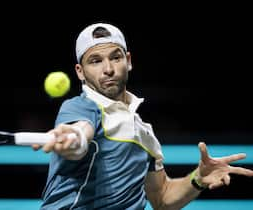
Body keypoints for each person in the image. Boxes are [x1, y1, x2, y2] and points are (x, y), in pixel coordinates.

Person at [32, 22, 253, 210]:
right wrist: (73, 139)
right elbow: (81, 133)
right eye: (95, 61)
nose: (108, 69)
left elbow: (162, 197)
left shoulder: (143, 131)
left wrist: (198, 179)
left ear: (128, 60)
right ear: (80, 71)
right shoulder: (80, 107)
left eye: (115, 57)